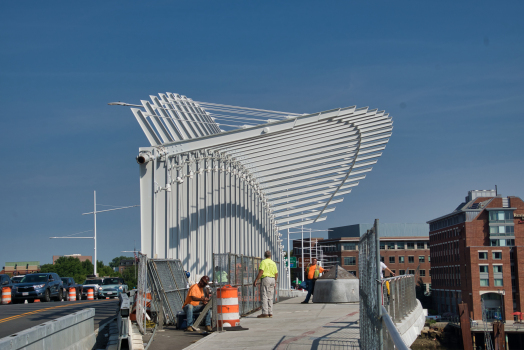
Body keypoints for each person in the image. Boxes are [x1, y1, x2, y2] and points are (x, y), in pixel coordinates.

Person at [253, 250, 278, 318]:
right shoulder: (273, 263)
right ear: (270, 256)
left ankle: (265, 313)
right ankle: (270, 313)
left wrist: (256, 280)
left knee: (264, 295)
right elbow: (276, 273)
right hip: (272, 279)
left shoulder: (263, 262)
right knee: (270, 296)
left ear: (265, 255)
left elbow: (261, 272)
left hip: (266, 279)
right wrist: (275, 281)